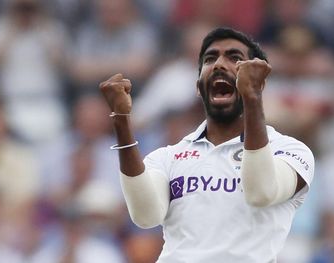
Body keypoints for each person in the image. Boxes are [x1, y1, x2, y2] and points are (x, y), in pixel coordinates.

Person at [99, 27, 314, 262]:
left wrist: (252, 99)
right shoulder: (168, 156)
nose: (219, 64)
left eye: (235, 58)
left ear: (259, 81)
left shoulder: (289, 151)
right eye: (210, 59)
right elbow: (146, 215)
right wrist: (121, 120)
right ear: (198, 87)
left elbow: (261, 193)